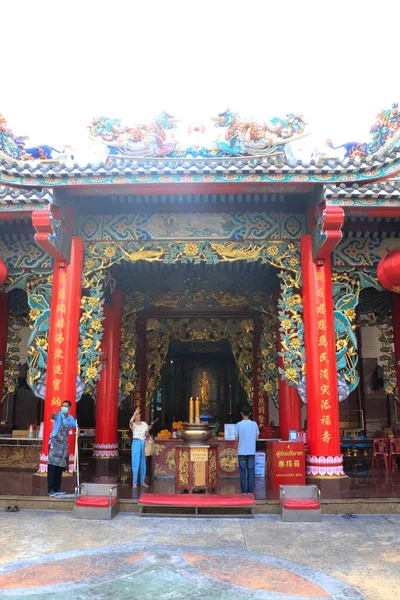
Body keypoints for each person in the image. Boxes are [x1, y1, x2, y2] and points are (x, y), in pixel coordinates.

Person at [47, 400, 77, 497]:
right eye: (62, 406)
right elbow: (52, 417)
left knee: (60, 468)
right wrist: (53, 414)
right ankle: (50, 489)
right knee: (52, 467)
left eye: (66, 406)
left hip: (63, 446)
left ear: (69, 408)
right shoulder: (58, 416)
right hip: (55, 444)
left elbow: (76, 426)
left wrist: (78, 429)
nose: (63, 407)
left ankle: (57, 488)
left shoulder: (70, 419)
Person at [236, 405, 259, 494]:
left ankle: (243, 492)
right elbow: (257, 438)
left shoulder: (238, 424)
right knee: (250, 471)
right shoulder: (254, 424)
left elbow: (236, 439)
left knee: (242, 473)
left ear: (241, 413)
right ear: (250, 413)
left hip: (241, 451)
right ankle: (250, 492)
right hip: (251, 451)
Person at [129, 408, 149, 488]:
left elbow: (147, 434)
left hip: (143, 443)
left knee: (143, 463)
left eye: (139, 414)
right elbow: (130, 421)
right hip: (136, 443)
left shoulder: (144, 424)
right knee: (135, 463)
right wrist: (135, 413)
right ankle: (134, 483)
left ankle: (142, 482)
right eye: (137, 415)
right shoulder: (133, 424)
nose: (138, 416)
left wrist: (148, 431)